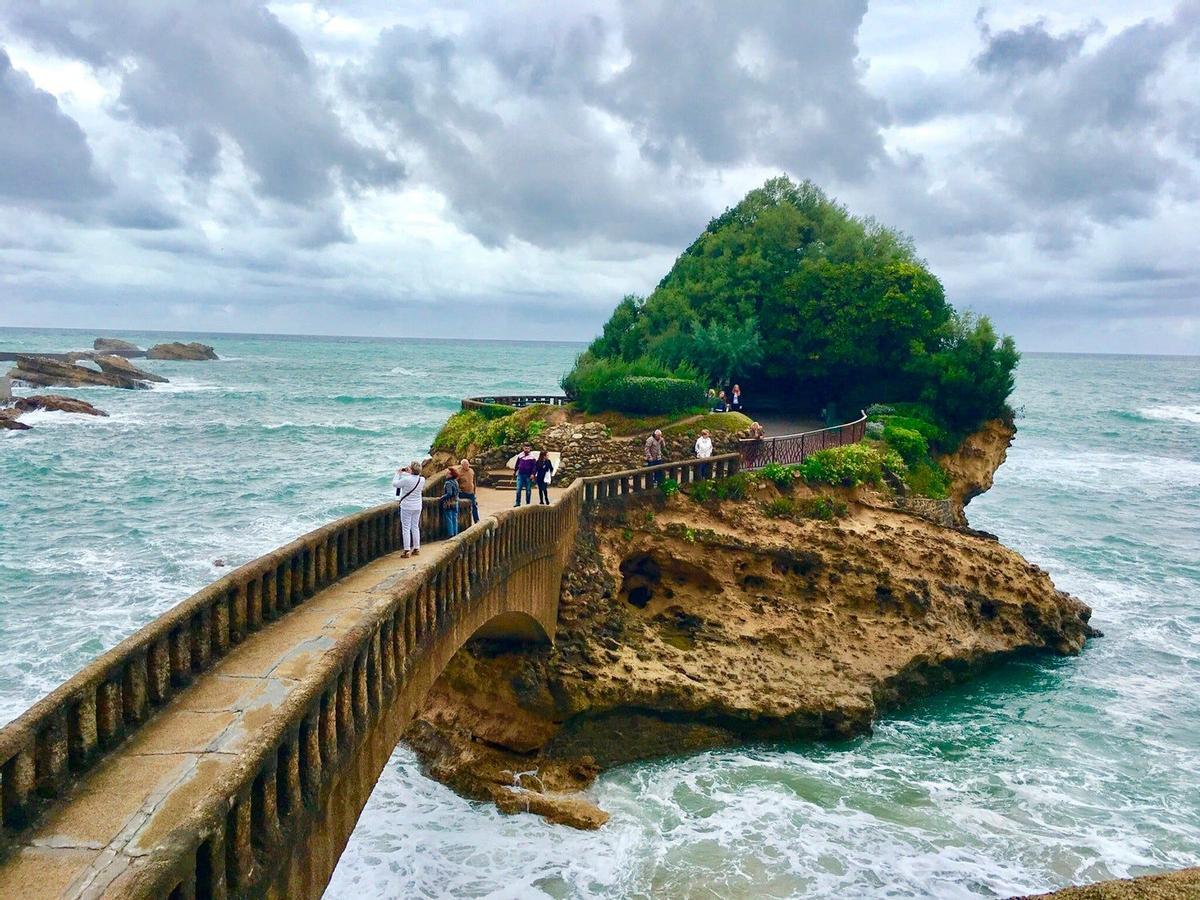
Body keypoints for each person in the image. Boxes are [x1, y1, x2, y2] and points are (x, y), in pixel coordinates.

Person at [392, 461, 425, 558]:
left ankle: (407, 550)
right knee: (415, 527)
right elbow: (415, 475)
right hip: (417, 506)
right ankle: (416, 548)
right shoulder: (422, 479)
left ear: (411, 469)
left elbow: (395, 484)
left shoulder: (406, 480)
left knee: (406, 528)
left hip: (407, 506)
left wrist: (398, 473)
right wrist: (408, 471)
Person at [441, 467, 462, 538]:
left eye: (447, 473)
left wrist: (442, 497)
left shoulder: (448, 483)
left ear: (451, 474)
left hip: (449, 503)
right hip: (455, 502)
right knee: (454, 518)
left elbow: (449, 493)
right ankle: (455, 533)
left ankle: (451, 534)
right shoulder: (455, 482)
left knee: (449, 518)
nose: (446, 474)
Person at [458, 458, 479, 523]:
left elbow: (474, 481)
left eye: (467, 464)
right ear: (462, 465)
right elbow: (456, 482)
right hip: (463, 492)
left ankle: (476, 520)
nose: (467, 466)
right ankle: (462, 521)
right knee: (463, 507)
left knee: (474, 506)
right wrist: (459, 489)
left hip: (471, 492)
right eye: (465, 465)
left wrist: (474, 490)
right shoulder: (459, 472)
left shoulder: (471, 471)